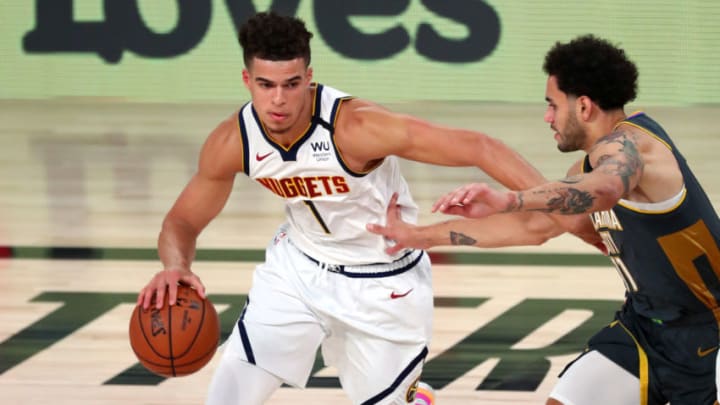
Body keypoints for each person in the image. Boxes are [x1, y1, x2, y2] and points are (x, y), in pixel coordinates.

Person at [135, 11, 549, 405]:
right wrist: (176, 266)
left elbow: (479, 146)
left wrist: (560, 202)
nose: (278, 100)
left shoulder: (355, 128)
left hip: (383, 278)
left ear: (309, 78)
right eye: (265, 85)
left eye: (291, 84)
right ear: (247, 80)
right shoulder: (235, 140)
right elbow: (183, 220)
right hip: (296, 271)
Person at [368, 34, 720, 405]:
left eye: (553, 105)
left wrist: (507, 199)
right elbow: (535, 227)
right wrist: (419, 236)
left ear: (583, 106)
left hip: (712, 334)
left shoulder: (633, 146)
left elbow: (605, 188)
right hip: (645, 330)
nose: (547, 116)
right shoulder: (585, 166)